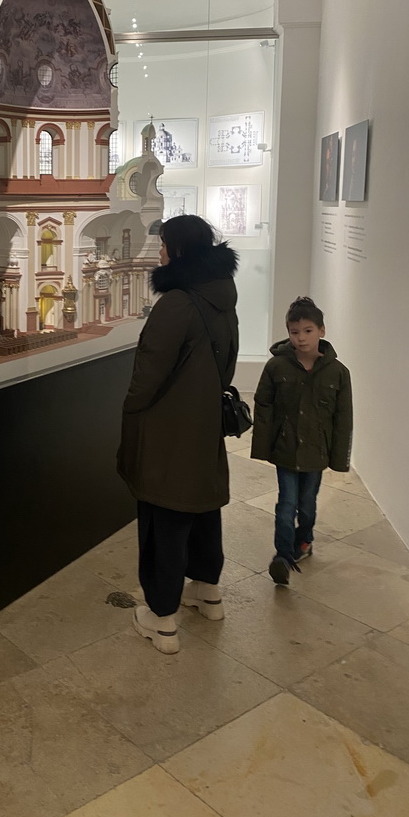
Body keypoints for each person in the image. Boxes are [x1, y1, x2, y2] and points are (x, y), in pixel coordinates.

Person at [117, 215, 239, 654]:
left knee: (164, 516)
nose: (161, 253)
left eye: (165, 245)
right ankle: (208, 593)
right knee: (203, 506)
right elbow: (227, 364)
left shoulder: (177, 303)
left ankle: (161, 617)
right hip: (204, 422)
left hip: (168, 427)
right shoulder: (222, 296)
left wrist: (131, 407)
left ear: (180, 249)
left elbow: (149, 372)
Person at [251, 296, 353, 585]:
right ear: (288, 332)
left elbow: (343, 420)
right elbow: (264, 405)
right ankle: (282, 556)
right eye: (294, 332)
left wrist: (339, 459)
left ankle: (304, 539)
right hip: (286, 450)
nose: (301, 338)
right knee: (286, 504)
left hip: (316, 453)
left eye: (308, 331)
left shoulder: (338, 373)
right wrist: (263, 447)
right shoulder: (277, 367)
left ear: (322, 330)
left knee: (306, 505)